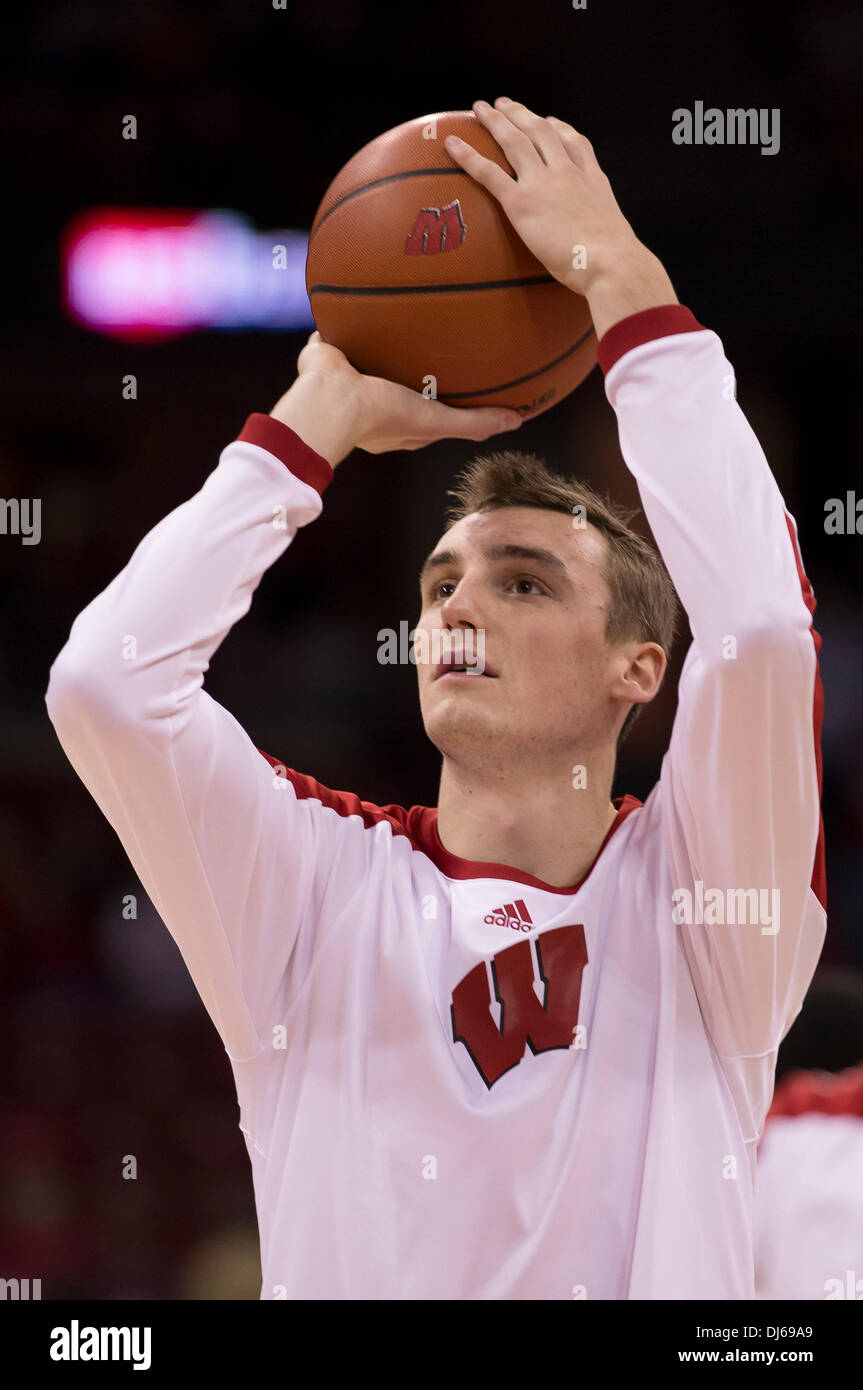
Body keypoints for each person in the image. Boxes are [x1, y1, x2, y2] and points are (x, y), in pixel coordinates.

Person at [45, 97, 825, 1299]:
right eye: (441, 581)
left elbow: (763, 629)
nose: (457, 608)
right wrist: (313, 421)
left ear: (638, 666)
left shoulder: (706, 910)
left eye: (523, 581)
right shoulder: (306, 892)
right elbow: (107, 682)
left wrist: (624, 284)